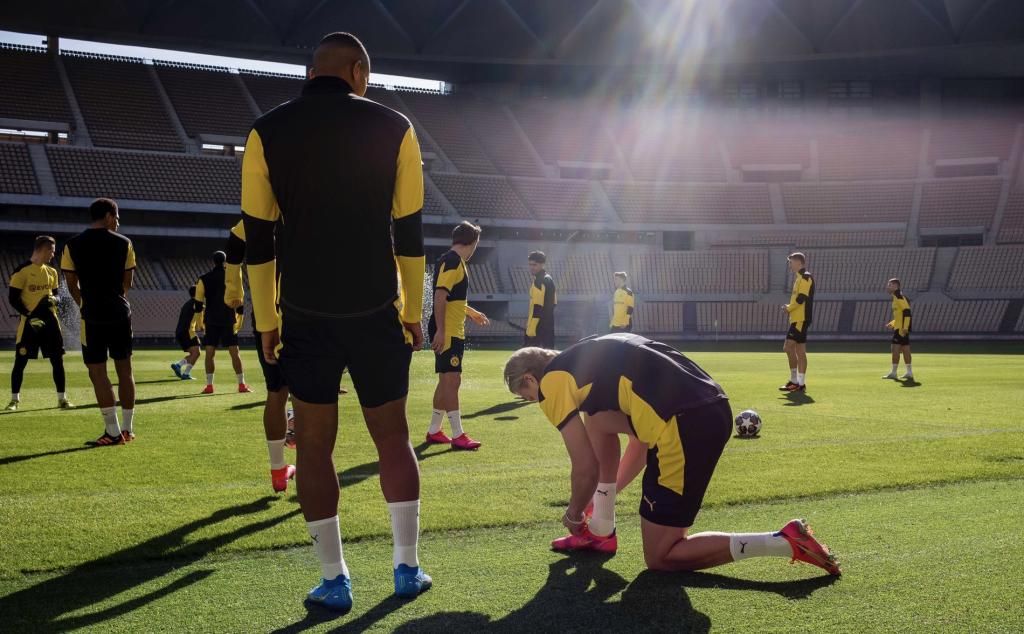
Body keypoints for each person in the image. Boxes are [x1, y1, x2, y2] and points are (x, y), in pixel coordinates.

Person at [241, 32, 430, 611]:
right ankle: (406, 569)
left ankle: (334, 579)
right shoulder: (395, 126)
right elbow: (411, 233)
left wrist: (267, 319)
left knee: (316, 446)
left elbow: (258, 240)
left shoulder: (264, 131)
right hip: (377, 310)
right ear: (356, 71)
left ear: (311, 72)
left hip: (304, 314)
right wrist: (412, 310)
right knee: (393, 438)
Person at [503, 334, 840, 576]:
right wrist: (603, 501)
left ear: (531, 378)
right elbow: (638, 440)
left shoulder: (553, 384)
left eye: (528, 395)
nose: (535, 401)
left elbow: (585, 468)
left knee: (662, 557)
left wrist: (575, 514)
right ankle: (603, 530)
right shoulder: (589, 359)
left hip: (684, 425)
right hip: (705, 410)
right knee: (598, 419)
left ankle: (782, 542)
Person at [224, 219, 296, 493]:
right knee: (313, 394)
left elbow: (234, 240)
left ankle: (278, 471)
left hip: (268, 313)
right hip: (309, 309)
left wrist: (233, 291)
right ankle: (313, 466)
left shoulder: (259, 212)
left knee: (276, 393)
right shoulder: (311, 199)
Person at [61, 198, 136, 445]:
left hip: (91, 314)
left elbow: (71, 283)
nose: (118, 222)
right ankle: (127, 429)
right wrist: (116, 299)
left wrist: (84, 301)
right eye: (116, 217)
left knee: (97, 372)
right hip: (120, 312)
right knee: (125, 370)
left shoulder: (71, 245)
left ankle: (112, 432)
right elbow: (128, 283)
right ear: (107, 216)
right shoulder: (125, 243)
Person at [425, 221, 487, 450]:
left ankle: (434, 430)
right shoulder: (452, 261)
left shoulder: (452, 260)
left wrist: (471, 313)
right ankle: (458, 435)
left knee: (446, 380)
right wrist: (441, 330)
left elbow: (451, 298)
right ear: (472, 243)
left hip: (452, 329)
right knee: (452, 380)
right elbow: (440, 296)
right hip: (449, 331)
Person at [6, 236, 71, 411]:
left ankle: (62, 399)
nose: (53, 254)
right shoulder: (21, 271)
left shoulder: (52, 272)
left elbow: (57, 295)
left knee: (57, 361)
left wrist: (54, 299)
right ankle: (14, 400)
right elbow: (12, 299)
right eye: (52, 250)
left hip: (51, 323)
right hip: (29, 324)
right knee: (20, 361)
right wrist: (28, 315)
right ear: (42, 249)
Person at [195, 250, 252, 394]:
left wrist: (199, 322)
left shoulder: (203, 279)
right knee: (235, 353)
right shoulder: (232, 278)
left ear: (213, 262)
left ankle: (209, 386)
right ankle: (241, 385)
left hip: (211, 320)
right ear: (225, 262)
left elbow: (198, 304)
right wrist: (239, 321)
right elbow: (239, 299)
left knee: (209, 353)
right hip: (228, 319)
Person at [779, 252, 814, 393]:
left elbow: (801, 298)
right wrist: (790, 307)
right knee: (800, 351)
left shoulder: (805, 277)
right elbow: (798, 299)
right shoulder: (799, 277)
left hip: (801, 319)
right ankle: (800, 384)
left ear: (799, 261)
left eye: (791, 261)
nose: (789, 264)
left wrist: (789, 308)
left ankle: (795, 381)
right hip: (798, 318)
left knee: (788, 347)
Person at [883, 278, 913, 380]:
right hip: (901, 327)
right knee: (905, 349)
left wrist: (905, 327)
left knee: (894, 348)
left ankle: (894, 372)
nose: (888, 286)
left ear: (896, 286)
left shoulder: (898, 296)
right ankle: (909, 372)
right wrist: (893, 323)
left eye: (890, 285)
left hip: (900, 329)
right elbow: (900, 315)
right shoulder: (897, 296)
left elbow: (907, 311)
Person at [170, 286, 203, 381]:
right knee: (197, 352)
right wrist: (202, 327)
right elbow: (200, 319)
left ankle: (179, 366)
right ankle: (184, 372)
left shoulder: (186, 304)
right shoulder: (198, 304)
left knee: (193, 353)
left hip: (179, 332)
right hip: (188, 331)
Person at [524, 251, 556, 348]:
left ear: (542, 264)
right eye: (530, 264)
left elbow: (537, 307)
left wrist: (531, 329)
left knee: (527, 358)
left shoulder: (539, 281)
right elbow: (554, 303)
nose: (531, 267)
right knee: (548, 357)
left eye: (534, 265)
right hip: (548, 325)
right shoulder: (548, 279)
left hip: (537, 328)